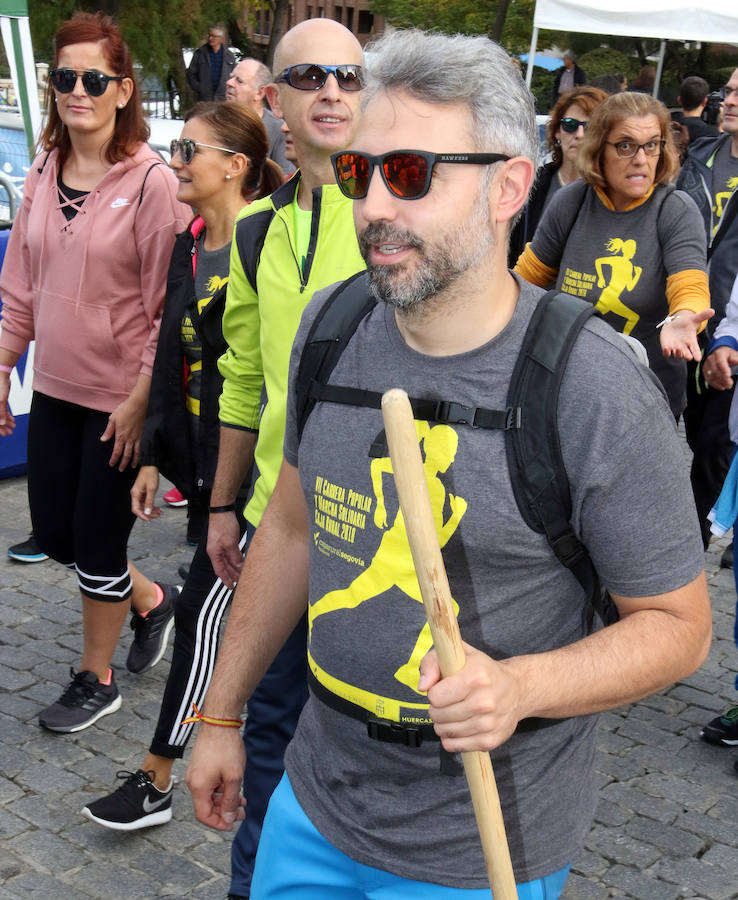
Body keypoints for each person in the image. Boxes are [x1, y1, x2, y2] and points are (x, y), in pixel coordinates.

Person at [185, 29, 711, 898]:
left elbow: (678, 625)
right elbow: (289, 525)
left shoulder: (590, 384)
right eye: (361, 173)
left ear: (508, 186)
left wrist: (517, 685)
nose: (373, 209)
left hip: (481, 847)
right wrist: (222, 710)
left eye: (411, 174)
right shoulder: (330, 326)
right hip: (313, 803)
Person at [193, 19, 365, 899]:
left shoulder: (398, 212)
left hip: (384, 541)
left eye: (348, 74)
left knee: (373, 745)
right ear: (276, 101)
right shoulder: (255, 231)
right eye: (309, 75)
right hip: (276, 528)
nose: (331, 89)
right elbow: (243, 382)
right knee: (266, 735)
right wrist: (224, 509)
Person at [79, 102, 284, 831]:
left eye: (190, 147)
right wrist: (156, 462)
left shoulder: (272, 240)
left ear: (236, 164)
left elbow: (266, 373)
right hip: (205, 461)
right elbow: (173, 353)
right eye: (175, 143)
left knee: (204, 613)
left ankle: (158, 775)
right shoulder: (188, 242)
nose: (176, 157)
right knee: (234, 619)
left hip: (267, 469)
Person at [0, 12, 189, 732]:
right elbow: (20, 283)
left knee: (98, 542)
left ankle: (95, 676)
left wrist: (142, 401)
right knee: (56, 534)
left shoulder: (150, 184)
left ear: (122, 90)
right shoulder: (44, 168)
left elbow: (164, 310)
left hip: (120, 397)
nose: (76, 90)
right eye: (64, 78)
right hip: (55, 387)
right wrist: (3, 364)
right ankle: (151, 601)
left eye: (93, 79)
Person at [515, 90, 712, 418]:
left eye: (652, 144)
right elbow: (523, 282)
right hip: (566, 385)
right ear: (598, 149)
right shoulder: (572, 201)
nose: (640, 158)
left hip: (643, 395)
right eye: (625, 145)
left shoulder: (675, 210)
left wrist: (682, 318)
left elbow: (689, 283)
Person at [677, 68, 738, 555]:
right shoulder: (698, 157)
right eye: (729, 91)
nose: (729, 100)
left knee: (713, 453)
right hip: (682, 324)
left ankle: (687, 557)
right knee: (688, 435)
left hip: (729, 341)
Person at [509, 86, 607, 265]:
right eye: (569, 125)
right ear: (557, 131)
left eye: (589, 127)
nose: (578, 135)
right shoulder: (532, 182)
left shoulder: (612, 191)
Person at [226, 58, 296, 174]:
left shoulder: (279, 132)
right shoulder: (215, 122)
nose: (229, 83)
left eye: (239, 81)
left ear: (259, 93)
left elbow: (283, 182)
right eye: (230, 77)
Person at [186, 25, 236, 102]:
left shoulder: (229, 55)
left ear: (220, 38)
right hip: (205, 99)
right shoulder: (200, 53)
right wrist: (199, 88)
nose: (210, 38)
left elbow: (234, 75)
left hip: (222, 99)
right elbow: (191, 74)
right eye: (209, 35)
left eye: (213, 36)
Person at [676, 76, 719, 144]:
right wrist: (721, 126)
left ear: (679, 100)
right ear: (705, 101)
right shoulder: (711, 133)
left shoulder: (669, 125)